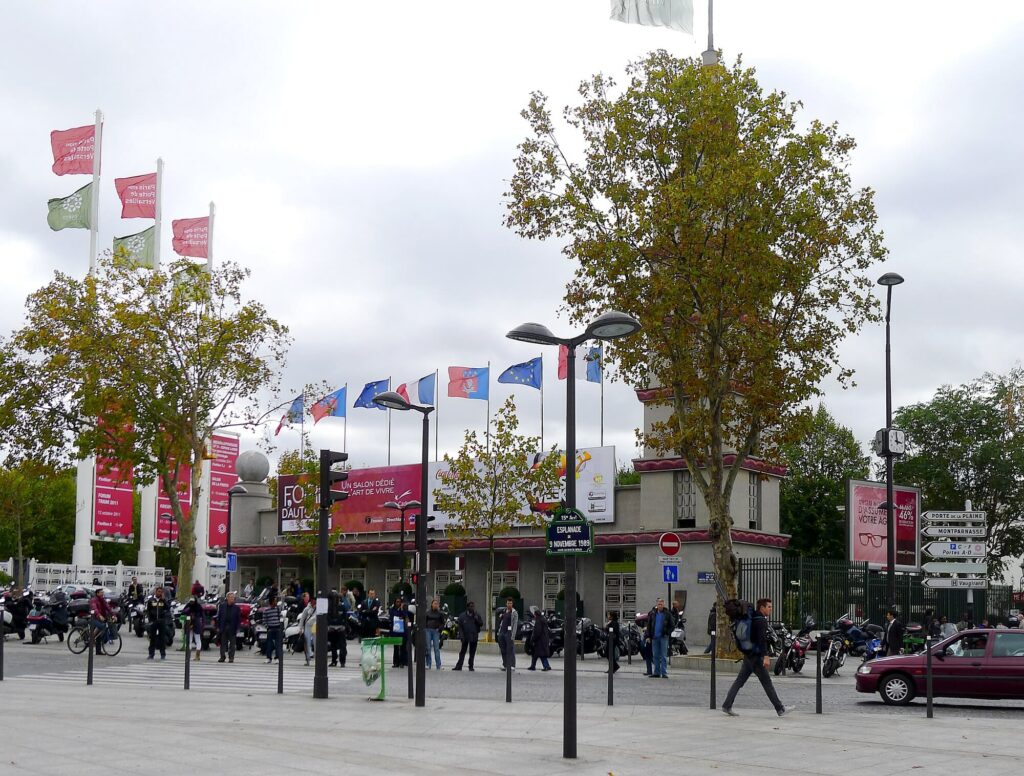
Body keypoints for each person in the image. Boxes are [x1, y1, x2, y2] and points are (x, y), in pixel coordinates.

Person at [722, 598, 791, 717]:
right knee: (767, 683)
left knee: (739, 682)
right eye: (769, 607)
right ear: (762, 608)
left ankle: (726, 705)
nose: (771, 609)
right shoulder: (761, 621)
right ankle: (780, 709)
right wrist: (766, 656)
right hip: (756, 657)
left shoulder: (752, 617)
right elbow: (761, 640)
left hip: (748, 655)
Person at [646, 597, 673, 678]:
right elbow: (649, 625)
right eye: (658, 604)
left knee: (663, 656)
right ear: (656, 605)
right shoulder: (653, 613)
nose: (660, 606)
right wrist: (648, 636)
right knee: (655, 656)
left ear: (663, 605)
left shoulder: (667, 614)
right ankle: (656, 672)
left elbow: (672, 625)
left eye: (661, 604)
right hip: (654, 637)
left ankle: (664, 673)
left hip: (663, 637)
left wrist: (667, 633)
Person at [453, 601, 483, 671]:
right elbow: (460, 627)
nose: (472, 608)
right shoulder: (462, 616)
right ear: (467, 607)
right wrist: (461, 636)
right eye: (471, 606)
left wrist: (476, 619)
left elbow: (481, 624)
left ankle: (471, 666)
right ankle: (459, 666)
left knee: (472, 653)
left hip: (474, 636)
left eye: (473, 606)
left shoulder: (477, 615)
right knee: (462, 652)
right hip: (465, 636)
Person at [146, 586, 171, 660]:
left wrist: (164, 600)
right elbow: (148, 611)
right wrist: (150, 620)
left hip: (161, 621)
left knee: (162, 638)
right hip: (153, 621)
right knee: (152, 638)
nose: (159, 593)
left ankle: (163, 654)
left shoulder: (163, 600)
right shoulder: (151, 600)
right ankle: (151, 654)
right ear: (155, 592)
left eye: (161, 592)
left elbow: (168, 608)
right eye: (158, 591)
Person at [217, 591, 241, 663]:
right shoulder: (222, 606)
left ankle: (231, 657)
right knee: (223, 643)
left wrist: (238, 628)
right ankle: (222, 657)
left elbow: (238, 619)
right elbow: (219, 617)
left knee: (232, 644)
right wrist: (218, 627)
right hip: (224, 626)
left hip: (232, 627)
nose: (232, 599)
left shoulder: (236, 608)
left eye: (233, 598)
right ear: (227, 598)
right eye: (231, 597)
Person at [496, 598, 519, 671]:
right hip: (502, 632)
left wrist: (513, 635)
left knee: (511, 650)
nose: (509, 604)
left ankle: (512, 665)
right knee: (503, 650)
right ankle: (505, 665)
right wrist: (499, 632)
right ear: (506, 604)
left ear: (512, 604)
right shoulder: (504, 611)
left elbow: (515, 625)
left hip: (509, 633)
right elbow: (501, 622)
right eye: (508, 603)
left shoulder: (514, 613)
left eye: (510, 603)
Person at [90, 588, 115, 653]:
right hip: (94, 618)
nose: (102, 593)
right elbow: (95, 608)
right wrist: (99, 615)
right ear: (97, 593)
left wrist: (113, 615)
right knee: (101, 627)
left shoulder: (103, 600)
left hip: (101, 618)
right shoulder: (94, 600)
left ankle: (98, 651)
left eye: (103, 592)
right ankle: (91, 638)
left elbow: (108, 607)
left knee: (100, 633)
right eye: (101, 592)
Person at [327, 591, 348, 667]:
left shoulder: (332, 607)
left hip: (336, 628)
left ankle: (337, 661)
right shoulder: (339, 607)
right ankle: (340, 661)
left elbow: (345, 617)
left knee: (335, 645)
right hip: (337, 628)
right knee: (337, 645)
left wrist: (330, 625)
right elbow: (345, 617)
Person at [388, 597, 410, 667]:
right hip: (395, 630)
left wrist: (401, 609)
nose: (398, 603)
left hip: (403, 631)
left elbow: (405, 616)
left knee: (403, 647)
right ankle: (396, 662)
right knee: (396, 647)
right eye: (397, 602)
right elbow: (392, 617)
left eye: (399, 602)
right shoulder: (392, 609)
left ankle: (403, 662)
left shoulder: (403, 609)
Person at [424, 598, 444, 670]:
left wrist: (439, 629)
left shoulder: (440, 613)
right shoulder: (427, 612)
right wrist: (425, 628)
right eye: (435, 604)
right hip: (428, 630)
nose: (436, 605)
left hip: (436, 631)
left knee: (436, 648)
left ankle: (438, 665)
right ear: (432, 604)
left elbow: (442, 623)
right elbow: (424, 622)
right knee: (428, 648)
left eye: (437, 604)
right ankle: (428, 664)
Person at [262, 594, 283, 662]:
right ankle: (268, 658)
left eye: (276, 601)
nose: (276, 602)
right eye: (275, 601)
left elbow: (281, 617)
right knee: (269, 644)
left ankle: (277, 658)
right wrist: (267, 627)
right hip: (270, 629)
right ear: (271, 602)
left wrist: (280, 625)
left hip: (277, 628)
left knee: (278, 644)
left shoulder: (278, 609)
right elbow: (264, 620)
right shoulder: (266, 610)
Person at [297, 592, 316, 665]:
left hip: (315, 626)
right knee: (307, 642)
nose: (314, 602)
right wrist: (300, 628)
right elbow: (302, 619)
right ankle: (307, 659)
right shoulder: (306, 609)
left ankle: (316, 659)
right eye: (313, 601)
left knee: (315, 642)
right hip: (307, 626)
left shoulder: (318, 608)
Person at [185, 594, 205, 661]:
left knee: (197, 639)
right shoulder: (188, 606)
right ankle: (188, 655)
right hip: (189, 623)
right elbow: (183, 612)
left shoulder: (198, 607)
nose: (191, 603)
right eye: (191, 601)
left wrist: (202, 624)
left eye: (192, 601)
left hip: (196, 624)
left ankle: (197, 656)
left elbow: (202, 616)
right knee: (189, 640)